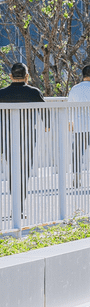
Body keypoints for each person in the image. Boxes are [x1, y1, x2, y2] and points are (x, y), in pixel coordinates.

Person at [0, 62, 45, 213]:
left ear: (10, 76)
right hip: (27, 138)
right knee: (24, 171)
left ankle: (16, 205)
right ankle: (19, 206)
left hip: (6, 138)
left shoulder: (1, 94)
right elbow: (46, 118)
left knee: (13, 170)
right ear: (27, 77)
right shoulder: (34, 92)